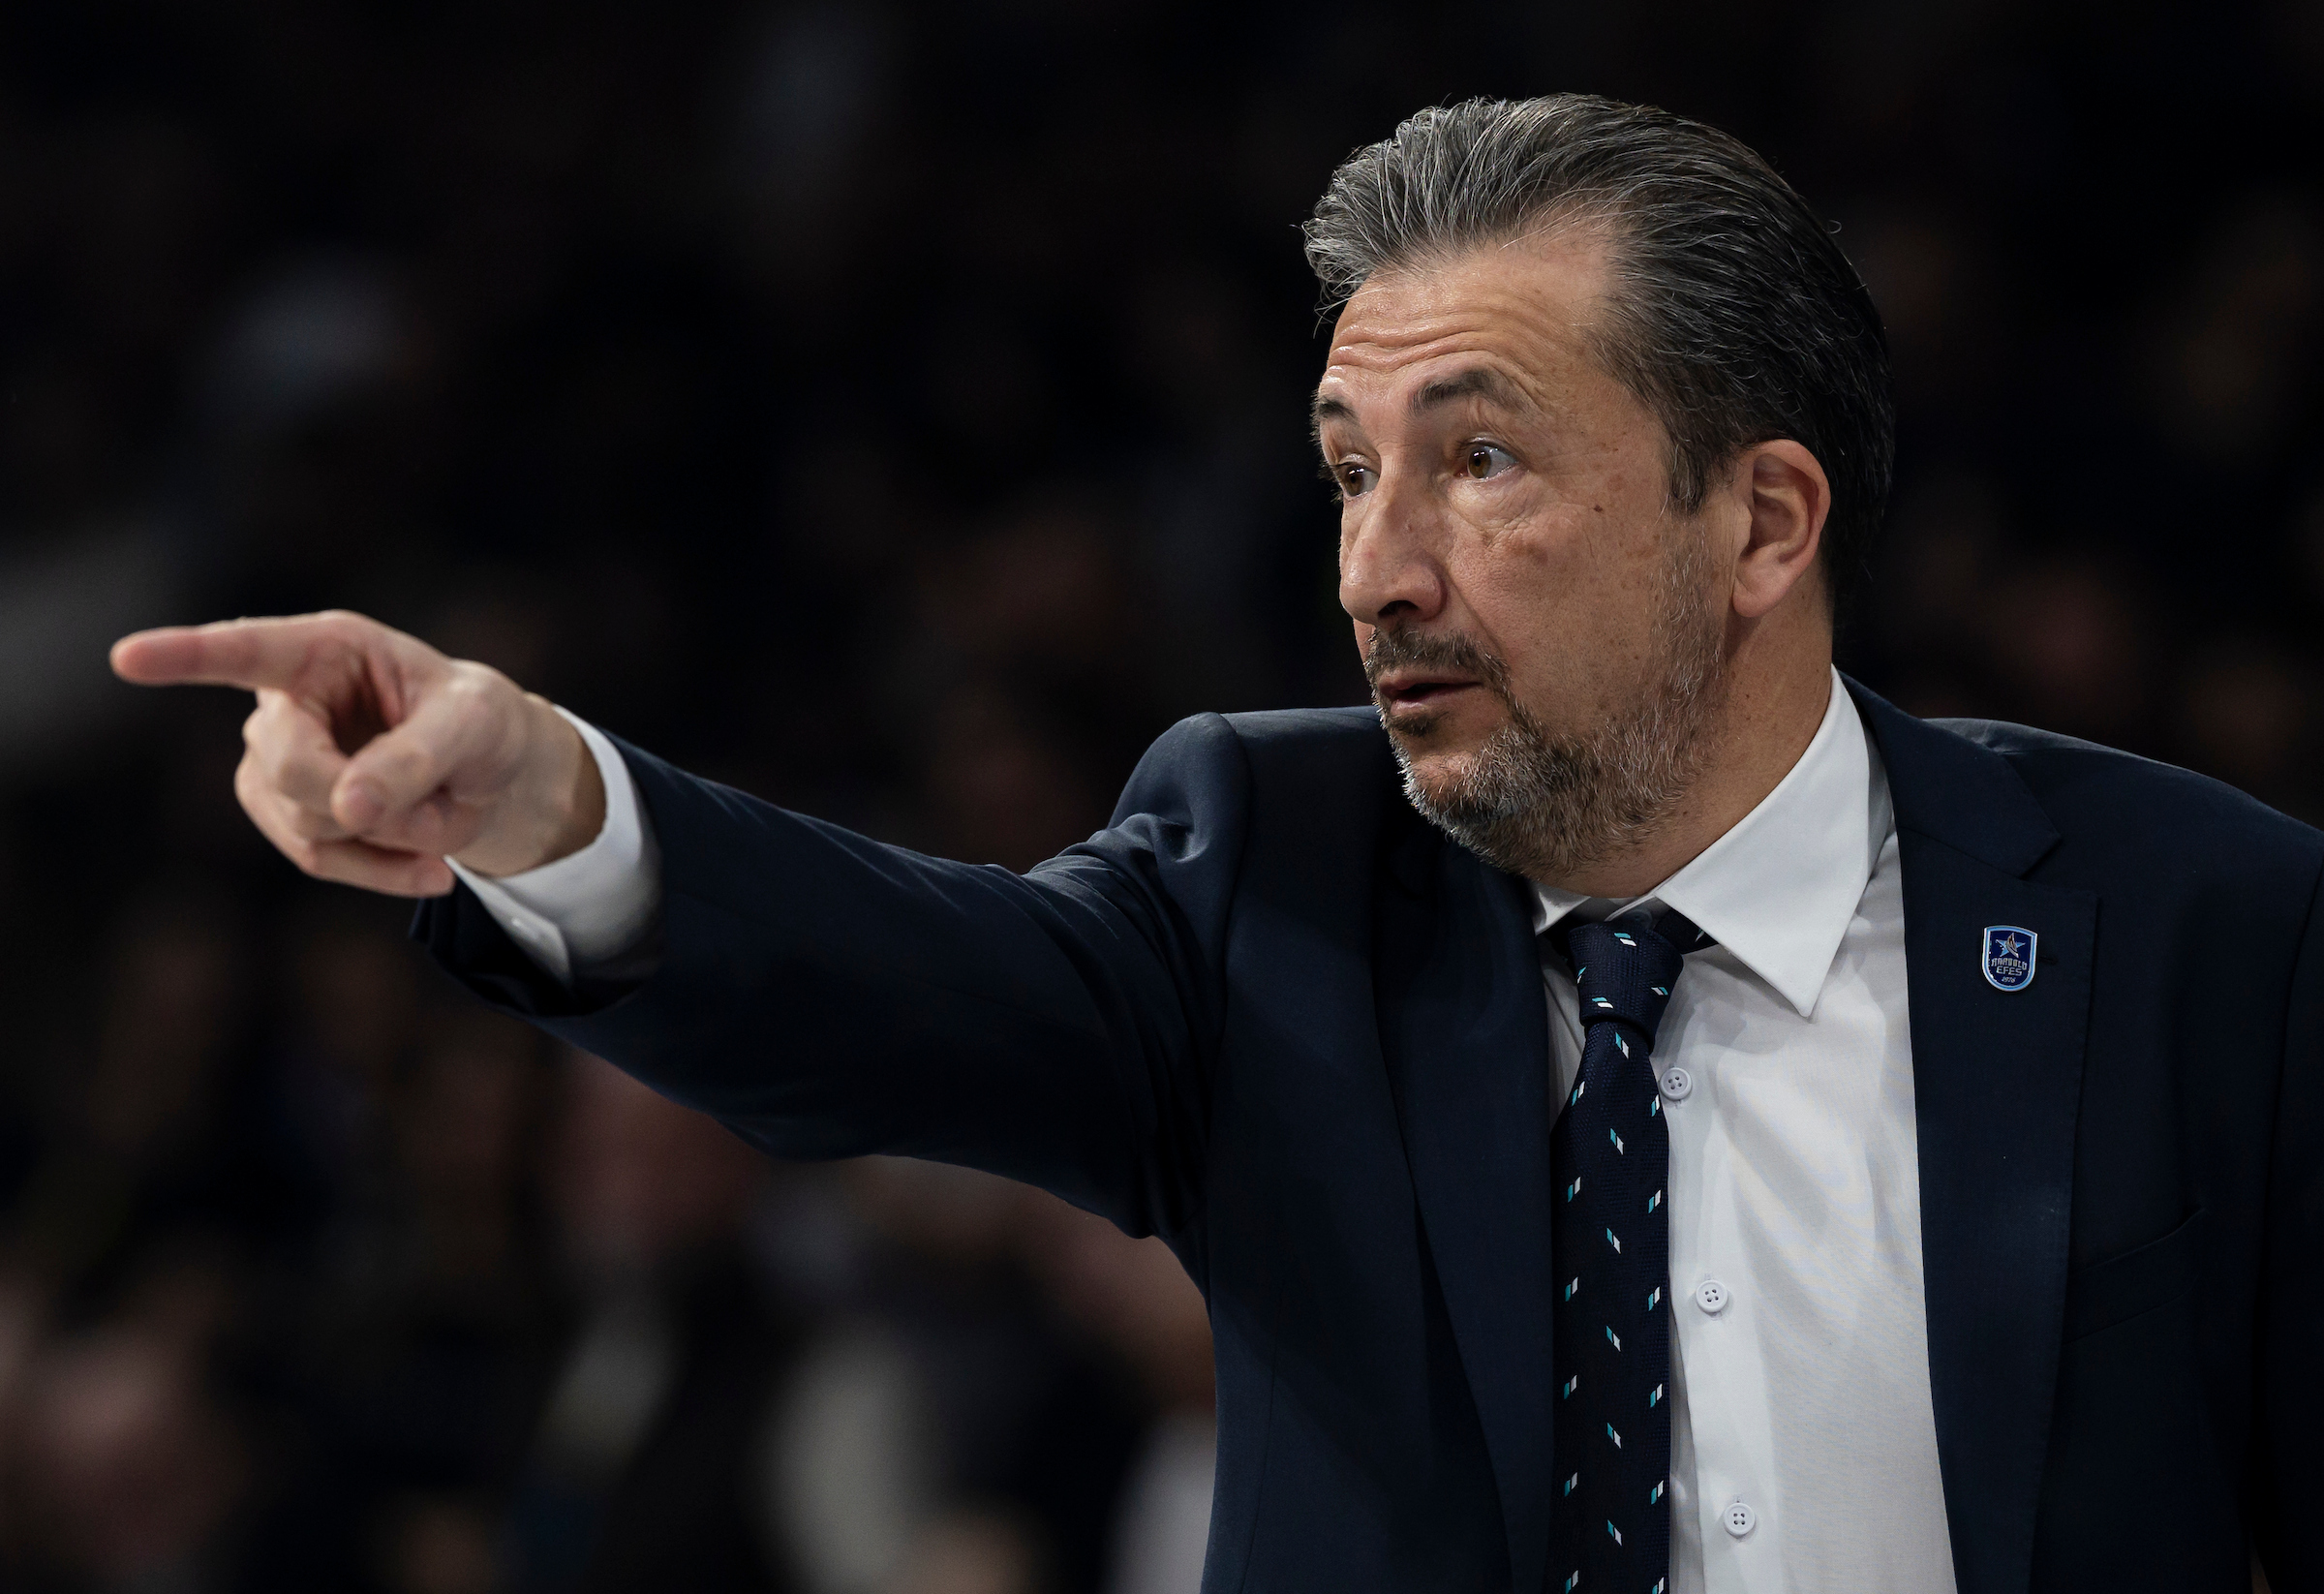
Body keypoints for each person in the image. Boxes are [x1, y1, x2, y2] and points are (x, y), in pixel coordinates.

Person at [110, 95, 2312, 1594]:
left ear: (1757, 523)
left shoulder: (2198, 927)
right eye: (1352, 469)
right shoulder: (1268, 868)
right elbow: (894, 985)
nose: (1375, 567)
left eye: (1480, 462)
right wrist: (549, 809)